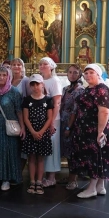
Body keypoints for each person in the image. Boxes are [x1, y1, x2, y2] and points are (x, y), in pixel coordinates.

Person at [72, 64, 109, 198]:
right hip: (86, 129)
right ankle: (100, 186)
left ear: (98, 74)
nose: (88, 75)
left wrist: (100, 132)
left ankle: (91, 189)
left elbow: (104, 111)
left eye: (91, 72)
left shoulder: (101, 89)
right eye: (86, 73)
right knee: (98, 156)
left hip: (95, 129)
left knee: (94, 157)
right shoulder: (89, 88)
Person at [0, 67, 25, 190]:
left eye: (4, 75)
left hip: (8, 127)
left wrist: (23, 127)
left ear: (8, 77)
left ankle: (7, 179)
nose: (1, 77)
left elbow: (19, 111)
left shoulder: (14, 92)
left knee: (7, 153)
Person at [22, 74, 54, 195]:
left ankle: (39, 181)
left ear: (42, 85)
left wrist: (40, 132)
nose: (35, 87)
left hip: (43, 133)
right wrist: (33, 132)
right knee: (31, 158)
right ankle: (32, 181)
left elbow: (49, 118)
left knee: (40, 158)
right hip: (31, 133)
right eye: (33, 84)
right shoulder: (27, 100)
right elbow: (26, 118)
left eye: (37, 84)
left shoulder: (48, 100)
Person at [38, 57, 62, 188]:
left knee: (52, 146)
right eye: (40, 64)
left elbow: (57, 102)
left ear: (51, 66)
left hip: (53, 119)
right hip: (42, 118)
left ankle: (51, 177)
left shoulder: (55, 80)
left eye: (45, 64)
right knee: (45, 146)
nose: (42, 66)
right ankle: (44, 174)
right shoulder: (41, 80)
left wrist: (51, 122)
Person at [60, 65, 85, 190]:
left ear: (80, 74)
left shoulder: (79, 90)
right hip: (63, 122)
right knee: (67, 151)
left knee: (73, 153)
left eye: (75, 72)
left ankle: (73, 180)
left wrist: (69, 128)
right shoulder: (66, 89)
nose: (72, 75)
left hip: (73, 124)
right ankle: (70, 176)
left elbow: (75, 110)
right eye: (70, 72)